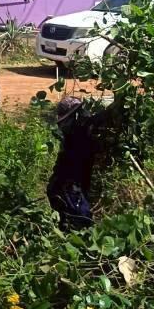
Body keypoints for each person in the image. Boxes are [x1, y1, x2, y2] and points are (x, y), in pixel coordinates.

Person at [46, 95, 111, 230]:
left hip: (73, 180)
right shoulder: (76, 131)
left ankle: (79, 233)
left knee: (77, 215)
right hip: (67, 180)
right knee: (75, 215)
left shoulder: (82, 129)